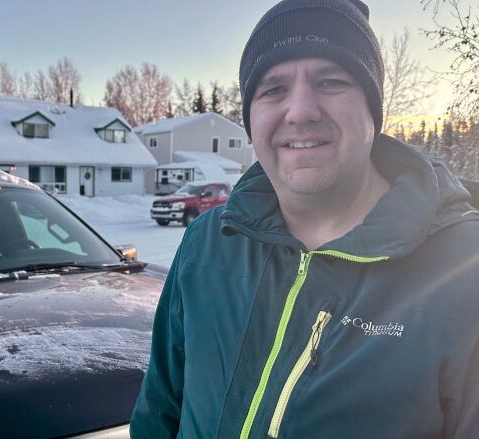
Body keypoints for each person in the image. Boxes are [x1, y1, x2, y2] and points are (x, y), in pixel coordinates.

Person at [130, 0, 479, 438]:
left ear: (373, 110)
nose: (300, 111)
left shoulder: (463, 272)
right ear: (251, 117)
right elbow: (158, 415)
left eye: (331, 81)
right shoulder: (207, 243)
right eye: (273, 89)